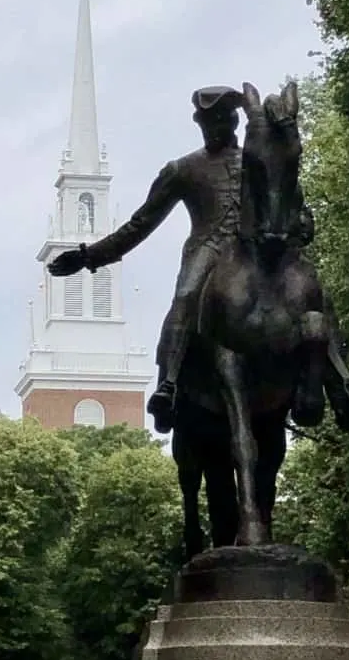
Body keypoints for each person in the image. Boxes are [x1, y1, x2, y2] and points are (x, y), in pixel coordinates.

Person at [49, 85, 315, 432]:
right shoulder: (184, 169)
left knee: (308, 288)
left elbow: (287, 193)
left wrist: (303, 220)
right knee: (186, 297)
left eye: (226, 118)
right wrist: (88, 256)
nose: (221, 125)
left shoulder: (257, 157)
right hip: (208, 247)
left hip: (255, 248)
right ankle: (169, 385)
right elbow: (140, 224)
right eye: (212, 120)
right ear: (200, 123)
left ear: (236, 120)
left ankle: (338, 382)